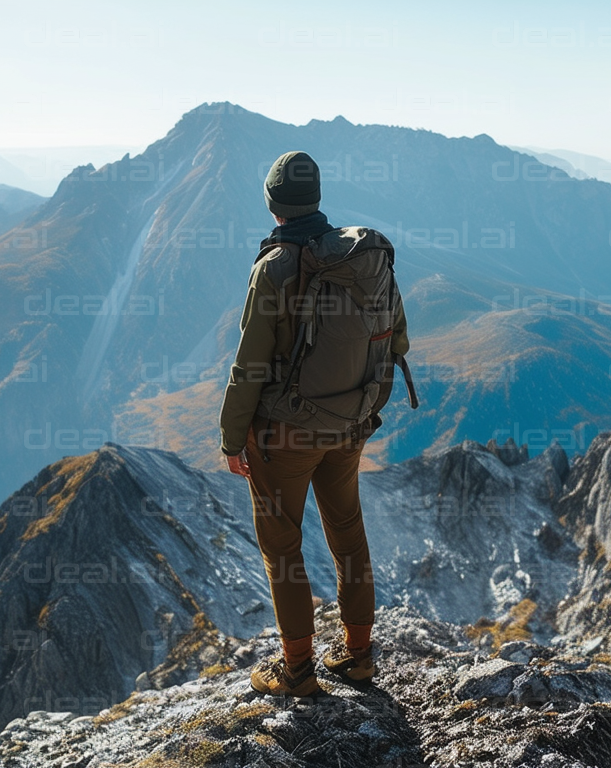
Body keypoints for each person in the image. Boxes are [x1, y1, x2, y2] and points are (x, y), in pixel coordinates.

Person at [219, 150, 411, 697]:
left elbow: (250, 364)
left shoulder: (274, 268)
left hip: (287, 436)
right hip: (351, 424)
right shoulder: (363, 255)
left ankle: (297, 671)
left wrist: (233, 437)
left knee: (282, 547)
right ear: (317, 198)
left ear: (273, 204)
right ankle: (359, 658)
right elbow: (398, 338)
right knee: (348, 533)